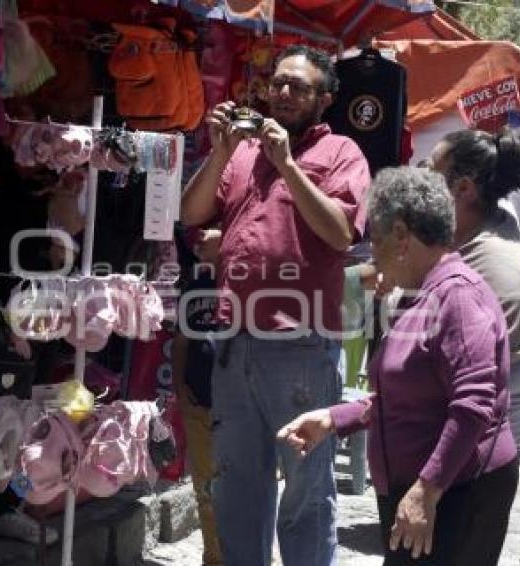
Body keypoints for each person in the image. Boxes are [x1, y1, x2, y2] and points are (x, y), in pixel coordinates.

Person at [180, 44, 371, 565]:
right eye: (277, 83)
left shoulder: (342, 155)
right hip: (233, 341)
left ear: (325, 99)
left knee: (306, 492)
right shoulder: (242, 152)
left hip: (301, 345)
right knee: (239, 486)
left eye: (299, 87)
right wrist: (219, 149)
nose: (282, 93)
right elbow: (190, 212)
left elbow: (338, 234)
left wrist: (288, 166)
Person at [279, 167, 519, 565]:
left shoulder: (457, 297)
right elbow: (405, 395)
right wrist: (335, 419)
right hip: (432, 490)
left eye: (376, 238)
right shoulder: (422, 294)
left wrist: (428, 489)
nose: (371, 253)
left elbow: (473, 404)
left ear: (402, 236)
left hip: (458, 494)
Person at [426, 128, 520, 455]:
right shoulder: (472, 226)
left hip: (475, 445)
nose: (418, 183)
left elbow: (472, 389)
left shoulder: (492, 269)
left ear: (462, 188)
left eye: (430, 173)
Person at [171, 225, 223, 566]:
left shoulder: (247, 287)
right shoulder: (196, 287)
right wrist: (179, 386)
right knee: (205, 490)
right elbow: (181, 342)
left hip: (237, 408)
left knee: (242, 487)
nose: (199, 235)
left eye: (210, 229)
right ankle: (214, 558)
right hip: (198, 403)